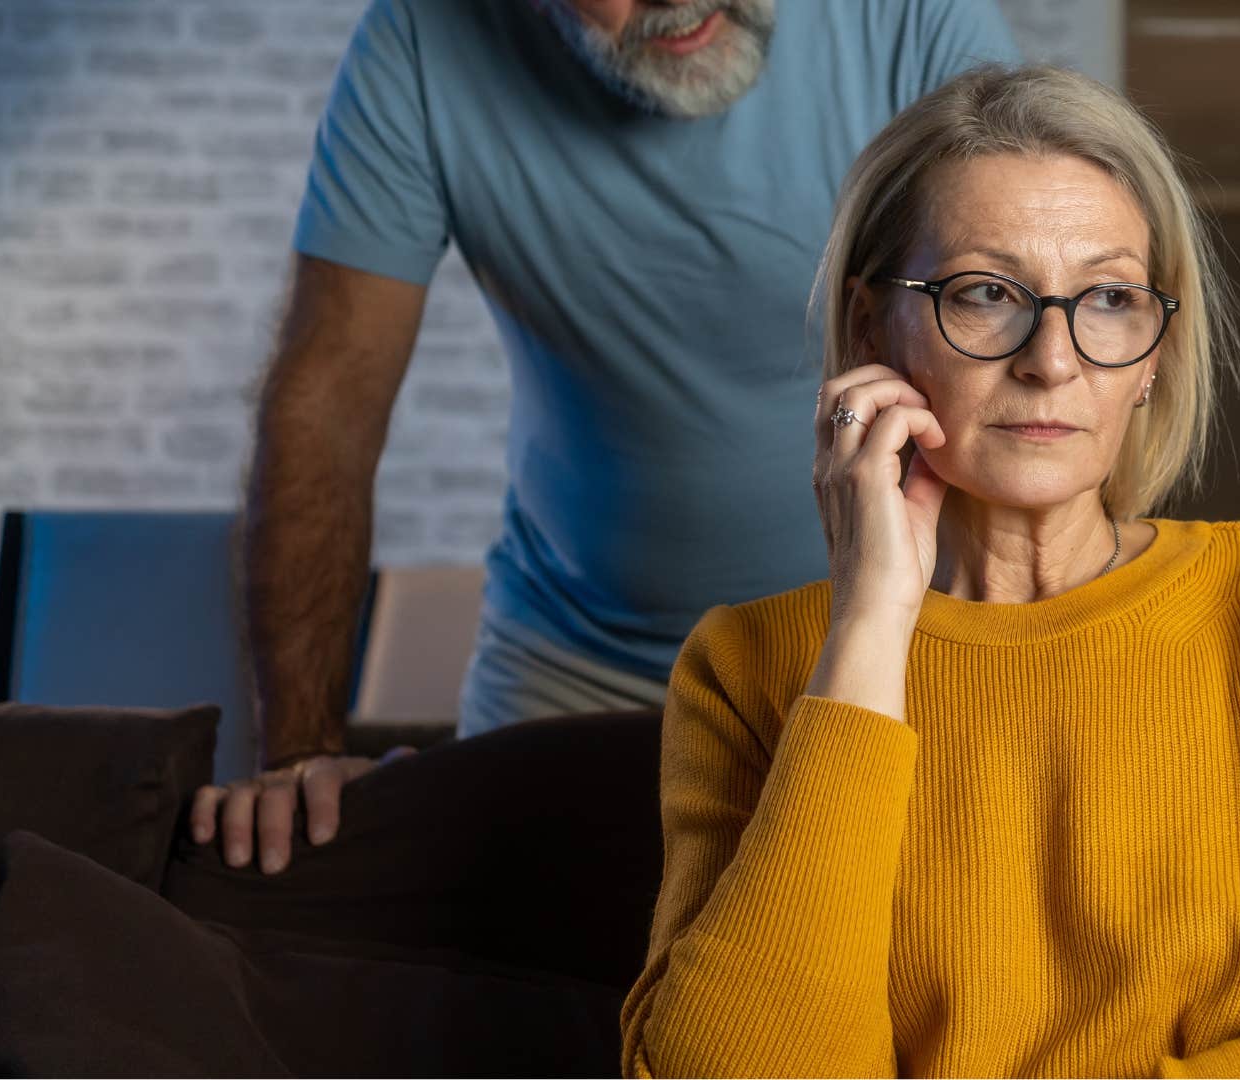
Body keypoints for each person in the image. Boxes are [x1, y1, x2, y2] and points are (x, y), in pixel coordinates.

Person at [619, 64, 1240, 1076]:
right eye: (987, 293)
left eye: (1109, 298)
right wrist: (869, 624)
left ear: (1157, 349)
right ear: (869, 328)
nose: (1053, 360)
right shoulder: (745, 665)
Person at [188, 0, 1021, 874]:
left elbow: (1033, 336)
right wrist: (296, 754)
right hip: (574, 662)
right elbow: (328, 405)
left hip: (902, 638)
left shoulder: (919, 16)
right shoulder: (418, 41)